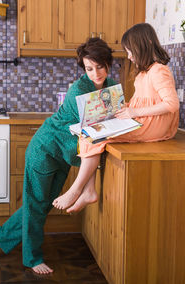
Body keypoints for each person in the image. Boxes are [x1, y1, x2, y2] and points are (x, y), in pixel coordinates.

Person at [0, 37, 116, 274]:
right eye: (89, 68)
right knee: (37, 205)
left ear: (108, 64)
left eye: (100, 66)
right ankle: (32, 258)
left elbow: (109, 120)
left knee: (41, 204)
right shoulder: (79, 91)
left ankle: (2, 238)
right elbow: (95, 128)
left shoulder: (109, 86)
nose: (95, 73)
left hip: (62, 153)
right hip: (44, 150)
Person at [52, 23, 179, 214]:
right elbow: (142, 102)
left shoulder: (159, 71)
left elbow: (172, 104)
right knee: (89, 131)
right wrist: (123, 108)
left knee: (93, 135)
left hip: (154, 125)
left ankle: (78, 190)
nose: (128, 56)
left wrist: (133, 113)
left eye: (130, 51)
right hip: (145, 120)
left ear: (146, 44)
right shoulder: (145, 73)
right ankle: (87, 191)